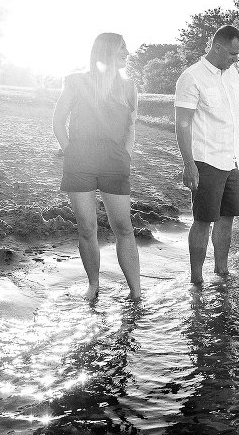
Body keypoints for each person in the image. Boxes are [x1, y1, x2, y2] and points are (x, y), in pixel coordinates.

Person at [52, 32, 141, 301]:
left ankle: (136, 292)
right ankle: (93, 285)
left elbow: (131, 126)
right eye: (122, 48)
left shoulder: (129, 87)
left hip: (115, 163)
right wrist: (72, 153)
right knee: (87, 228)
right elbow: (58, 122)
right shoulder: (76, 81)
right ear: (106, 51)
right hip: (80, 162)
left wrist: (125, 155)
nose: (127, 52)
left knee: (123, 227)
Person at [174, 24, 239, 284]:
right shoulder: (191, 77)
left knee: (228, 217)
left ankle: (221, 271)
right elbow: (182, 123)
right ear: (217, 47)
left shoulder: (232, 75)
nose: (236, 59)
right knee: (203, 220)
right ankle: (196, 279)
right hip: (205, 159)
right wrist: (189, 164)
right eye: (233, 54)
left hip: (231, 158)